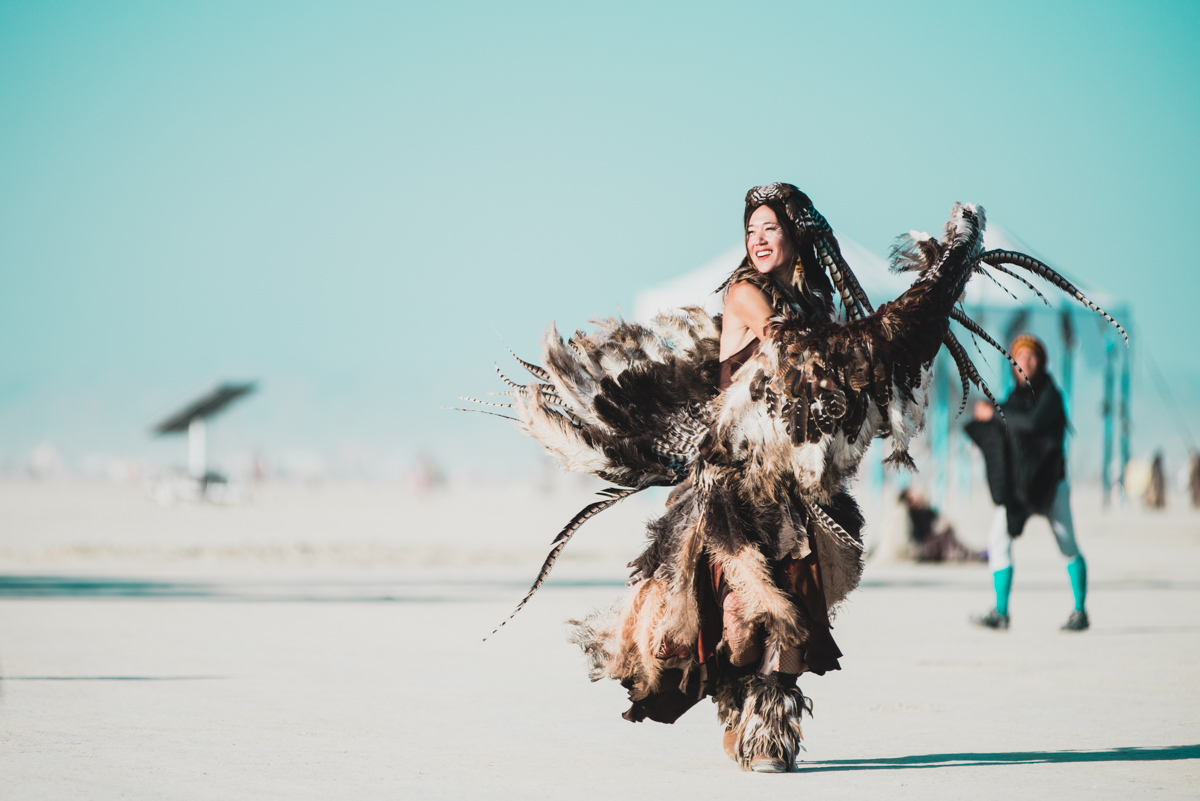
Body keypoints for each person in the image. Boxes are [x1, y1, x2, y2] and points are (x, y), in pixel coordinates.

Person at [476, 185, 1124, 773]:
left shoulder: (816, 298)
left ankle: (768, 730)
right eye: (751, 227)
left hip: (799, 487)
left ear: (796, 232)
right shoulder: (746, 294)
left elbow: (845, 361)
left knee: (792, 606)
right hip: (736, 484)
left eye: (769, 227)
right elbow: (798, 347)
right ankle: (741, 711)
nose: (758, 237)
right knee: (736, 612)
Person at [965, 334, 1090, 631]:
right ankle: (1001, 612)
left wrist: (993, 413)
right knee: (998, 541)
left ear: (1042, 363)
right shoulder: (1010, 400)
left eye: (1031, 357)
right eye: (1019, 357)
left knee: (1067, 545)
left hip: (1049, 486)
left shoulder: (1051, 396)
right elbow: (1005, 430)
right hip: (1019, 490)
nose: (1025, 362)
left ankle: (1080, 611)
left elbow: (1031, 423)